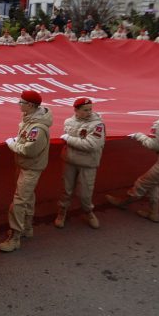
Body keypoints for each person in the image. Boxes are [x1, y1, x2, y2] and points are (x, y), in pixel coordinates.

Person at [0, 91, 53, 251]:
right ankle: (27, 228)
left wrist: (12, 144)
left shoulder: (38, 127)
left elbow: (30, 150)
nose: (19, 104)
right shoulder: (30, 120)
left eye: (21, 102)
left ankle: (15, 237)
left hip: (31, 166)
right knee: (28, 197)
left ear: (30, 105)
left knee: (19, 201)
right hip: (25, 165)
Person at [57, 97, 104, 229]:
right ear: (76, 110)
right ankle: (62, 211)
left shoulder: (97, 125)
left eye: (90, 109)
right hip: (69, 160)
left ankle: (88, 211)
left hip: (88, 163)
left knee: (85, 192)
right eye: (85, 110)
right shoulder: (68, 122)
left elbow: (92, 145)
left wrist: (69, 139)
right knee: (66, 189)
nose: (88, 112)